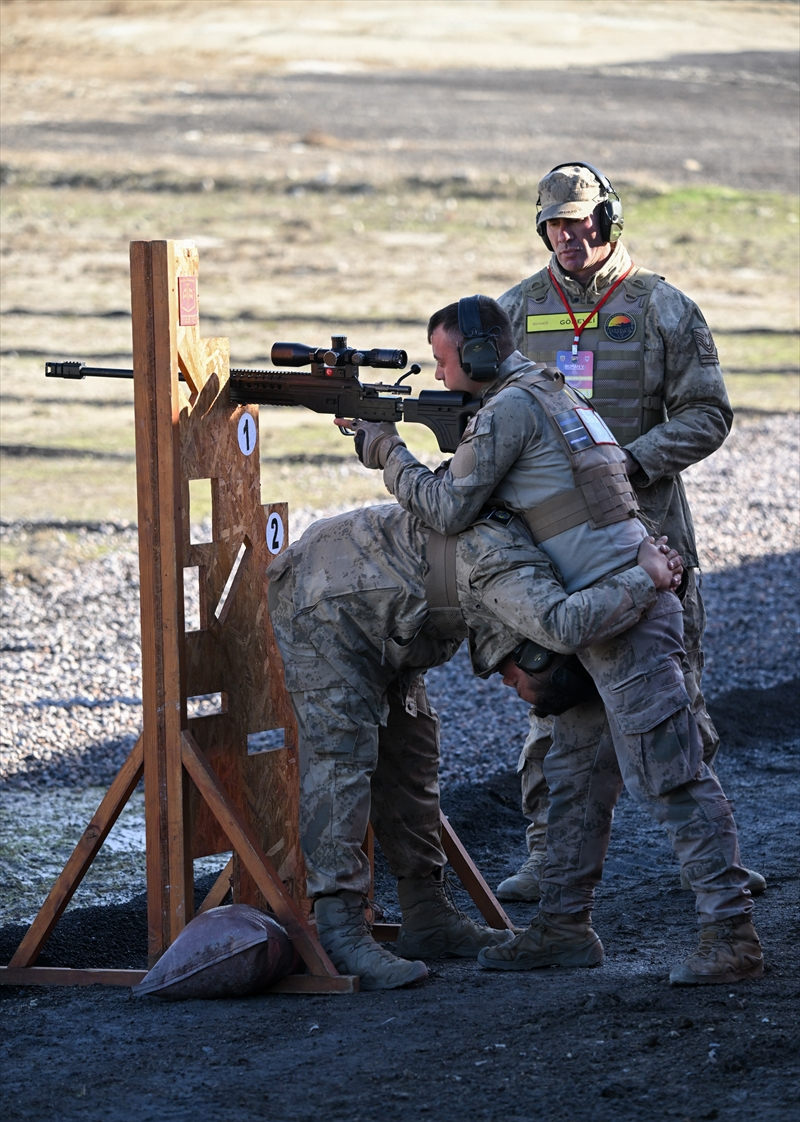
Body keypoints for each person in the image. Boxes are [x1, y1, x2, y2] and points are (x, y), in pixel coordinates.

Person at [342, 294, 762, 986]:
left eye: (445, 360)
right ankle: (563, 927)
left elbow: (446, 508)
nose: (441, 375)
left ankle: (732, 935)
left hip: (620, 613)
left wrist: (384, 449)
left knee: (673, 776)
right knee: (575, 777)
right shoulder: (551, 391)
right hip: (608, 607)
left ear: (480, 353)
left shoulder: (510, 408)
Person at [267, 500, 681, 991]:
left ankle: (427, 914)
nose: (507, 685)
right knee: (342, 758)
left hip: (388, 612)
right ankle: (339, 928)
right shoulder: (524, 593)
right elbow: (569, 623)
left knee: (412, 752)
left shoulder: (531, 593)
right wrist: (646, 577)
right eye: (522, 685)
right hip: (326, 595)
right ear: (537, 655)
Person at [494, 161, 764, 902]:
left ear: (608, 220)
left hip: (652, 535)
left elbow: (708, 414)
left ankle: (710, 862)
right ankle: (549, 859)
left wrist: (629, 462)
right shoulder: (515, 311)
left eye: (580, 221)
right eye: (554, 224)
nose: (567, 235)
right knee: (553, 702)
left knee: (676, 698)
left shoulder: (663, 308)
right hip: (556, 546)